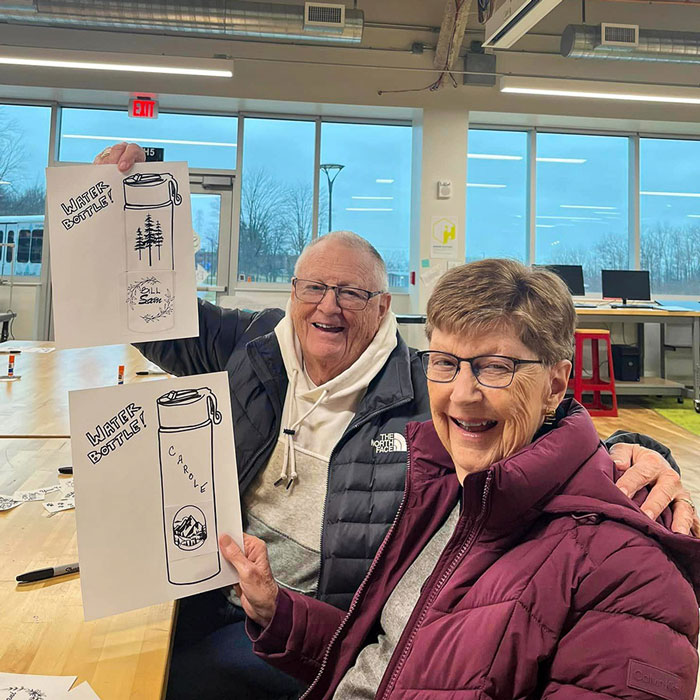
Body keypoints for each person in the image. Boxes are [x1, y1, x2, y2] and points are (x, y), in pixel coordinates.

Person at [95, 143, 698, 700]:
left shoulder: (419, 399)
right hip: (238, 592)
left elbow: (544, 428)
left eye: (351, 293)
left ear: (384, 307)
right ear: (291, 293)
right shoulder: (256, 346)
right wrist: (118, 211)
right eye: (313, 287)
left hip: (306, 614)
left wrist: (636, 454)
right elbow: (158, 320)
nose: (328, 305)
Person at [224, 259, 700, 699]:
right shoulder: (447, 491)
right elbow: (395, 662)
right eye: (445, 363)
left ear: (556, 385)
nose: (462, 395)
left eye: (496, 367)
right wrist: (278, 613)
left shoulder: (629, 573)